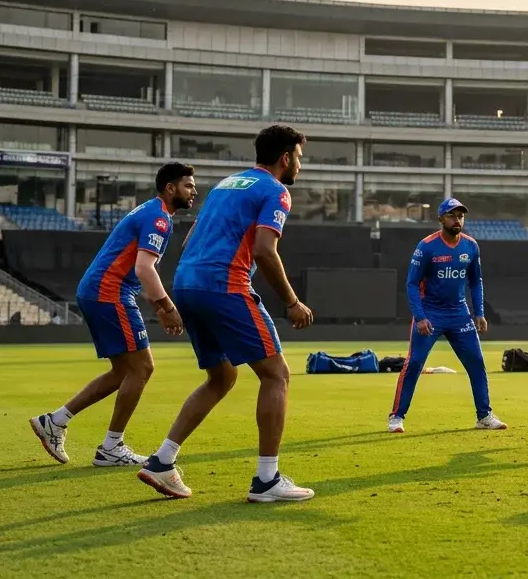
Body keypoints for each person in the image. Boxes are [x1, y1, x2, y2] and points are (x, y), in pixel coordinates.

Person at [136, 125, 317, 503]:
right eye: (299, 157)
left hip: (187, 283)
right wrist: (291, 301)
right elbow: (265, 250)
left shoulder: (225, 185)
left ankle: (162, 461)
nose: (300, 165)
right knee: (276, 374)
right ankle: (266, 480)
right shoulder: (275, 191)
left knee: (221, 376)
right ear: (285, 158)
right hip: (225, 285)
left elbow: (190, 238)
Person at [30, 163, 197, 467]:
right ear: (170, 188)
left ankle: (55, 421)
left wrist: (157, 307)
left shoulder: (151, 211)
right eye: (188, 185)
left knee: (124, 371)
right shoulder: (159, 218)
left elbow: (138, 271)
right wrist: (168, 308)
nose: (193, 191)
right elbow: (144, 269)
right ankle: (111, 447)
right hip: (109, 292)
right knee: (142, 368)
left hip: (100, 290)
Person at [387, 197, 505, 433]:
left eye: (460, 216)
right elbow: (412, 284)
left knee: (476, 362)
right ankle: (396, 416)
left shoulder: (471, 246)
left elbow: (476, 281)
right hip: (430, 313)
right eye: (452, 215)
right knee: (415, 362)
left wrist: (479, 313)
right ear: (441, 219)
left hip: (459, 314)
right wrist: (420, 316)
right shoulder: (427, 246)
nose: (457, 220)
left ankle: (484, 416)